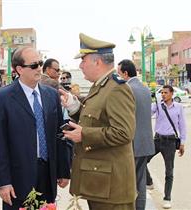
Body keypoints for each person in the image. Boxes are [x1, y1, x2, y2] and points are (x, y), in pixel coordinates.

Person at [59, 33, 137, 210]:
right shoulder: (101, 86)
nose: (80, 65)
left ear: (97, 62)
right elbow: (95, 120)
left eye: (83, 60)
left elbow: (124, 133)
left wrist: (83, 134)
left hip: (112, 188)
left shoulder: (117, 89)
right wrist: (74, 107)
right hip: (101, 183)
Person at [0, 47, 71, 210]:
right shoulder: (3, 97)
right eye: (34, 65)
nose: (39, 68)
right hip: (18, 179)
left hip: (47, 175)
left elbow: (59, 134)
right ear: (19, 69)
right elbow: (0, 142)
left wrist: (63, 170)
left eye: (40, 63)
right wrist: (4, 182)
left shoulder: (51, 94)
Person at [117, 59, 155, 210]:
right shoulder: (145, 88)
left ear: (125, 73)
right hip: (145, 142)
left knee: (129, 183)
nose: (118, 76)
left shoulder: (127, 89)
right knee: (141, 182)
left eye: (119, 73)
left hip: (132, 143)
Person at [147, 85, 186, 209]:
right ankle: (149, 182)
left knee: (169, 171)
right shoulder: (158, 105)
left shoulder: (179, 107)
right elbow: (147, 112)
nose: (163, 94)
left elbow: (182, 126)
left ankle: (167, 198)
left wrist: (182, 143)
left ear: (172, 94)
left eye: (165, 92)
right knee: (141, 160)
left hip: (170, 142)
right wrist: (152, 100)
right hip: (157, 139)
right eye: (162, 92)